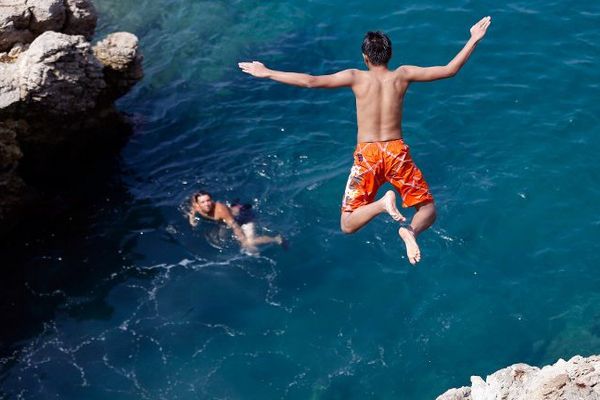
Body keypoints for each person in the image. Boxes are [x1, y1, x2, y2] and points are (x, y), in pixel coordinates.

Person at [238, 17, 492, 264]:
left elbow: (310, 81)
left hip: (368, 155)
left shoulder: (356, 77)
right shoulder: (403, 75)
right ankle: (410, 232)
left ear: (365, 57)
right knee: (428, 210)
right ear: (390, 54)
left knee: (348, 225)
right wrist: (473, 39)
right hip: (396, 152)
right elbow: (450, 70)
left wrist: (268, 72)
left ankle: (382, 204)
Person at [188, 191, 284, 253]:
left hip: (244, 217)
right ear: (197, 204)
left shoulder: (220, 210)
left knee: (249, 242)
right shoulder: (196, 207)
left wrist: (243, 241)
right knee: (220, 240)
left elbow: (235, 226)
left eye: (208, 200)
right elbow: (192, 210)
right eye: (203, 202)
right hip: (227, 219)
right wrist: (191, 219)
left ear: (212, 200)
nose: (207, 204)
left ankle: (276, 239)